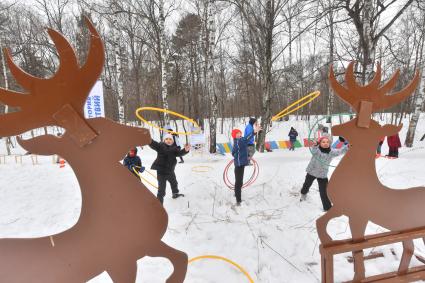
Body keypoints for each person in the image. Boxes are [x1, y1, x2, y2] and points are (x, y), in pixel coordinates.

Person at [300, 136, 348, 211]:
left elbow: (340, 151)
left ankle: (327, 208)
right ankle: (303, 193)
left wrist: (347, 146)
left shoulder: (332, 152)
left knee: (324, 191)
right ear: (320, 143)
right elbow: (314, 150)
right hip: (312, 171)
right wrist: (315, 145)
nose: (326, 143)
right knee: (306, 184)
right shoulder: (317, 150)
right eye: (323, 142)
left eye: (327, 142)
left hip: (322, 174)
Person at [149, 134, 190, 204]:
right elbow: (153, 144)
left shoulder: (174, 149)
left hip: (170, 171)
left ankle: (175, 193)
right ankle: (159, 204)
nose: (168, 140)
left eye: (170, 139)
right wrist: (148, 139)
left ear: (173, 141)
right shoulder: (160, 146)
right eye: (167, 139)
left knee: (174, 183)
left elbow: (179, 153)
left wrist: (185, 150)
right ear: (164, 140)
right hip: (161, 172)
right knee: (161, 189)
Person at [231, 123, 261, 206]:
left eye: (240, 133)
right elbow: (246, 139)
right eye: (238, 134)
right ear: (235, 136)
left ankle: (236, 194)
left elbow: (236, 152)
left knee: (239, 182)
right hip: (239, 165)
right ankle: (238, 200)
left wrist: (246, 156)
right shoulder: (238, 141)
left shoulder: (239, 142)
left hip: (241, 164)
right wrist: (254, 132)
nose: (240, 135)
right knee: (239, 182)